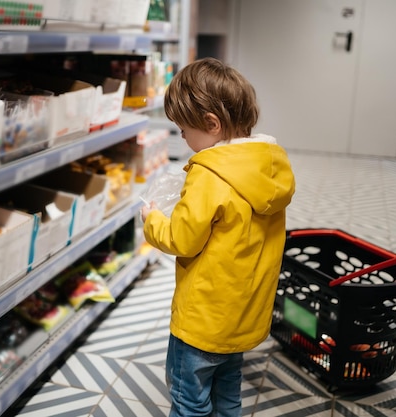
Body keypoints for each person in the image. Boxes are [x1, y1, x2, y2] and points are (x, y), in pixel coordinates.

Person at [140, 57, 296, 417]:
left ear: (211, 124)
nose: (181, 136)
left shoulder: (208, 175)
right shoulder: (269, 169)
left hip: (202, 321)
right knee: (228, 395)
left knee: (189, 399)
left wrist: (153, 220)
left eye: (182, 129)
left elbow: (182, 239)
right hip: (243, 316)